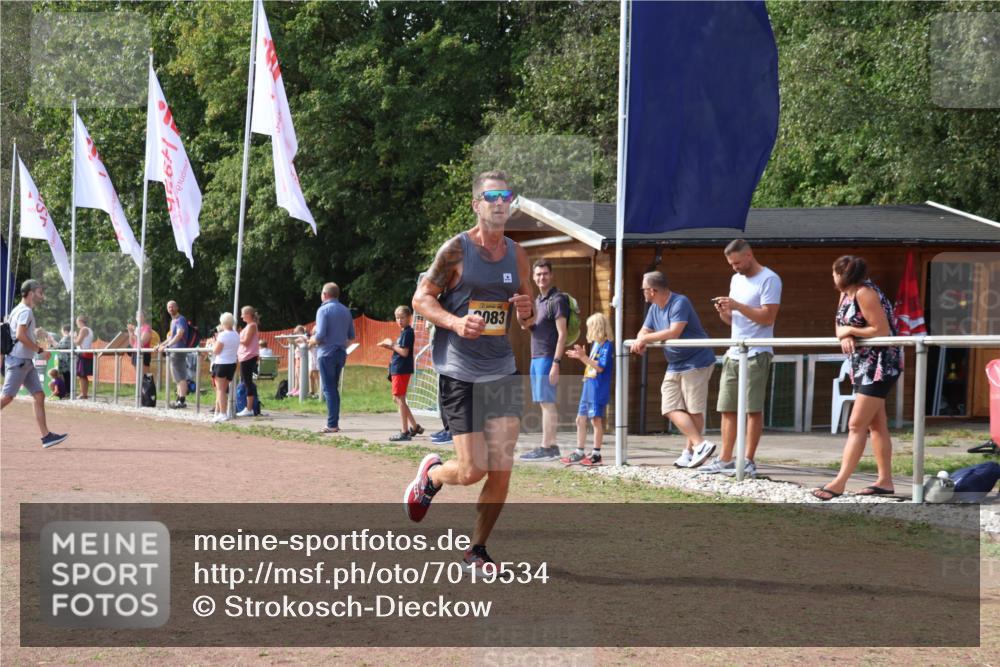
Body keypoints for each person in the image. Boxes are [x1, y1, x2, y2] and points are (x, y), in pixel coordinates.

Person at [404, 169, 534, 575]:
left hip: (502, 370)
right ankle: (432, 476)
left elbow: (527, 315)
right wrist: (456, 322)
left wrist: (527, 312)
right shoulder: (456, 250)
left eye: (506, 196)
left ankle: (476, 550)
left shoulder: (518, 254)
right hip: (460, 371)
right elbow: (421, 298)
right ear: (477, 204)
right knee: (472, 470)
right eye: (492, 197)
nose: (500, 203)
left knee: (501, 468)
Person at [813, 256, 902, 500]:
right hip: (861, 364)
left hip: (880, 364)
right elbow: (839, 326)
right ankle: (885, 481)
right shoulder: (845, 295)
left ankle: (839, 482)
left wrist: (851, 331)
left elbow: (881, 330)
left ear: (843, 275)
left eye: (834, 273)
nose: (832, 277)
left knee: (856, 424)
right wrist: (845, 335)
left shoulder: (865, 293)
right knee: (876, 424)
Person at [703, 239, 782, 478]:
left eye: (737, 262)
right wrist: (726, 312)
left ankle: (748, 460)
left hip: (757, 352)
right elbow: (733, 321)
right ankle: (725, 458)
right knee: (727, 408)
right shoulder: (735, 280)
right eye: (731, 264)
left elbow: (768, 317)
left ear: (749, 255)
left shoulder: (769, 279)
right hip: (734, 351)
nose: (734, 267)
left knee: (752, 409)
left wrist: (737, 305)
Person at [631, 271, 718, 468]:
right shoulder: (654, 308)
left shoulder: (680, 302)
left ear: (652, 290)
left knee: (693, 409)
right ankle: (699, 445)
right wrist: (640, 339)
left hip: (697, 360)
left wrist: (644, 339)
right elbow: (645, 329)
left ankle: (691, 451)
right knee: (669, 407)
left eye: (644, 289)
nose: (642, 292)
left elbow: (674, 332)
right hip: (675, 363)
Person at [0, 280, 68, 448]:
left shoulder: (17, 309)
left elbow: (19, 335)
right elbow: (20, 335)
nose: (41, 296)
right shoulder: (26, 311)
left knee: (39, 395)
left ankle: (46, 436)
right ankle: (46, 436)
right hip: (19, 361)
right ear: (30, 293)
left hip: (24, 361)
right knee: (7, 397)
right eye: (39, 292)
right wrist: (40, 350)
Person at [519, 258, 569, 462]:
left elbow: (562, 334)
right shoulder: (538, 300)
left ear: (551, 275)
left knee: (547, 403)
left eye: (545, 274)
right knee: (543, 402)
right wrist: (524, 322)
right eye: (538, 274)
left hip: (548, 358)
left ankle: (546, 447)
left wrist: (556, 363)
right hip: (536, 357)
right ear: (533, 277)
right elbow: (535, 328)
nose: (542, 277)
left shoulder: (558, 300)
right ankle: (551, 446)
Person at [561, 313, 614, 466]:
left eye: (590, 327)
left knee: (596, 419)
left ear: (597, 327)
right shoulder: (596, 344)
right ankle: (579, 451)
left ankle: (596, 454)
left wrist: (583, 357)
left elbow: (600, 367)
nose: (588, 330)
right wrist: (581, 357)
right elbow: (591, 365)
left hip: (598, 388)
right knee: (580, 419)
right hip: (588, 386)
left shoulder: (607, 345)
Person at [308, 283, 356, 433]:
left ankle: (332, 424)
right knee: (333, 388)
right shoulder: (346, 311)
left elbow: (320, 335)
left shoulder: (323, 310)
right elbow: (351, 336)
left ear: (325, 294)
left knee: (328, 389)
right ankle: (334, 422)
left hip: (326, 353)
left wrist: (311, 340)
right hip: (340, 353)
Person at [380, 305, 422, 441]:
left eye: (402, 317)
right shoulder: (404, 332)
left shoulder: (408, 332)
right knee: (397, 398)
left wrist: (392, 345)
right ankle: (414, 426)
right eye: (397, 318)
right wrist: (389, 346)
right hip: (398, 369)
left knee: (400, 399)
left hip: (401, 369)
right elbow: (400, 349)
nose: (399, 320)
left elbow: (404, 352)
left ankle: (404, 432)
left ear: (409, 318)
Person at [157, 300, 191, 409]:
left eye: (172, 306)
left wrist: (167, 346)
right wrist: (160, 345)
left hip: (178, 351)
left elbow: (179, 334)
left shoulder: (181, 319)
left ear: (177, 307)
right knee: (177, 377)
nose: (170, 309)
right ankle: (179, 399)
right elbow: (170, 338)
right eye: (169, 307)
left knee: (181, 376)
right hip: (173, 351)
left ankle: (182, 400)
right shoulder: (173, 321)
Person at [210, 312, 240, 423]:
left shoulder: (222, 335)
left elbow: (216, 351)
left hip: (221, 363)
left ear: (223, 323)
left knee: (220, 390)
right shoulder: (236, 334)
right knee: (223, 390)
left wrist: (214, 343)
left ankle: (223, 413)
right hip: (232, 363)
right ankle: (218, 412)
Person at [236, 305, 260, 418]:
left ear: (248, 314)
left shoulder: (252, 326)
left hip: (248, 356)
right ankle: (248, 406)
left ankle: (249, 408)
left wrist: (236, 337)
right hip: (244, 357)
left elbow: (246, 342)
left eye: (243, 314)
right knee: (245, 381)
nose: (241, 316)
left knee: (247, 382)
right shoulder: (248, 326)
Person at [74, 315, 94, 400]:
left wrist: (73, 337)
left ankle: (83, 393)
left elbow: (78, 342)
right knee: (83, 375)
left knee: (82, 375)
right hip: (86, 353)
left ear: (80, 321)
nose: (76, 324)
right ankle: (84, 393)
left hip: (83, 354)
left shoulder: (83, 329)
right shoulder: (89, 329)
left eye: (77, 322)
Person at [127, 311, 153, 377]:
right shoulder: (136, 328)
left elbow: (141, 343)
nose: (139, 318)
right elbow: (132, 344)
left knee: (145, 376)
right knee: (138, 376)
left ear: (144, 317)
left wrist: (133, 334)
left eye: (141, 316)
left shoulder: (147, 328)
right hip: (135, 352)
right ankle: (140, 384)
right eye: (137, 316)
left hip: (144, 353)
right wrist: (130, 333)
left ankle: (148, 384)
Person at [55, 324, 72, 391]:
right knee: (66, 376)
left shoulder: (67, 338)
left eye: (62, 330)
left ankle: (68, 390)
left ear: (65, 331)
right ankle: (67, 390)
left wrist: (53, 342)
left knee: (67, 376)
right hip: (65, 360)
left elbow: (61, 346)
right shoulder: (67, 338)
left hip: (66, 361)